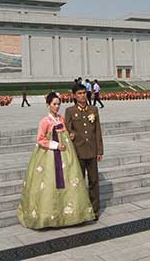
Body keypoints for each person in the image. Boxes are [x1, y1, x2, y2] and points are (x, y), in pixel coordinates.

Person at [17, 92, 95, 229]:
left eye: (58, 104)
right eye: (54, 104)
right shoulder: (44, 121)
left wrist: (70, 135)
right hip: (49, 156)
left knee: (69, 182)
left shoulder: (62, 119)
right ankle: (48, 216)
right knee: (49, 182)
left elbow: (67, 132)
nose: (57, 107)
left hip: (66, 154)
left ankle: (69, 214)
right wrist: (56, 145)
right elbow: (41, 139)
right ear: (48, 105)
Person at [64, 83, 104, 219]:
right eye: (79, 93)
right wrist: (71, 134)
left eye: (84, 93)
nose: (82, 96)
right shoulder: (70, 111)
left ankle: (94, 210)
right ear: (74, 96)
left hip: (92, 151)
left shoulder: (93, 109)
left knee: (94, 181)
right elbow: (67, 131)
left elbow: (97, 131)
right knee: (79, 182)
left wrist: (100, 150)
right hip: (78, 152)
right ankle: (80, 210)